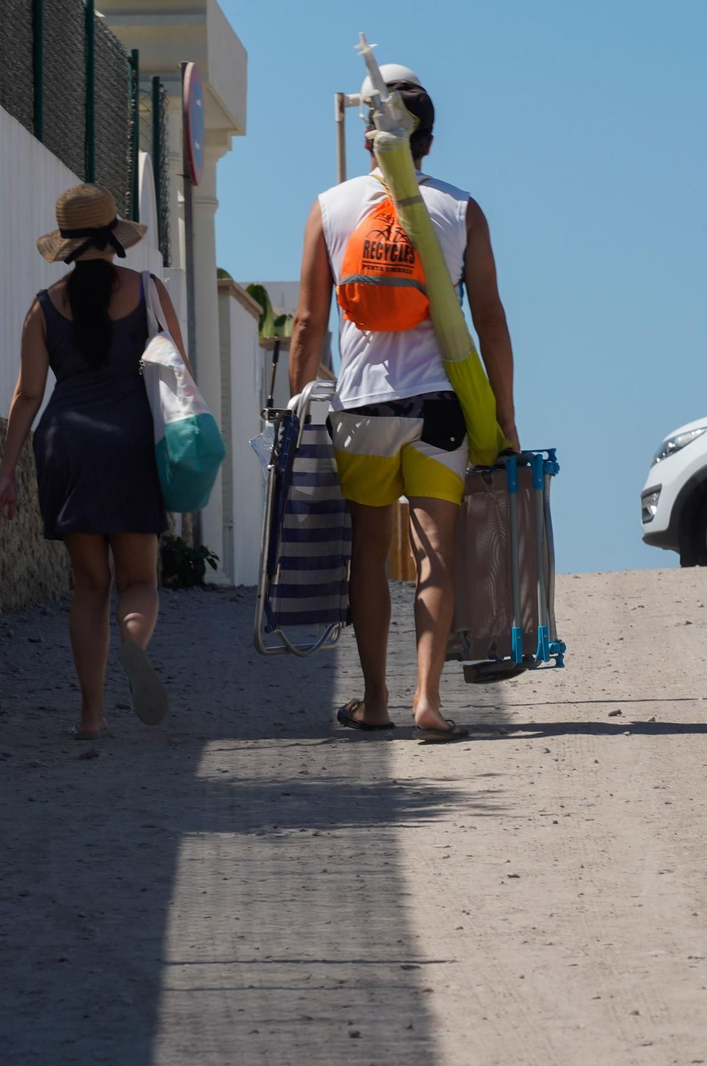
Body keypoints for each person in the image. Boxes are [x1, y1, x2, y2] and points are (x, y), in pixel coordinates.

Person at [287, 65, 518, 744]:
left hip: (361, 408)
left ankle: (376, 698)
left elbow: (305, 322)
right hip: (440, 406)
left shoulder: (329, 207)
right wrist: (504, 415)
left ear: (370, 140)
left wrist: (299, 407)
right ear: (429, 143)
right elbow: (492, 322)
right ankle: (427, 700)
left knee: (367, 550)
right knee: (435, 553)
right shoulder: (460, 210)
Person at [0, 183, 184, 740]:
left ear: (67, 245)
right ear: (114, 235)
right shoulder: (148, 292)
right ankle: (133, 642)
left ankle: (91, 716)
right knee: (139, 581)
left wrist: (6, 474)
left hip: (65, 444)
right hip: (129, 445)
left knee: (89, 586)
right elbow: (178, 373)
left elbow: (27, 395)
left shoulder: (44, 306)